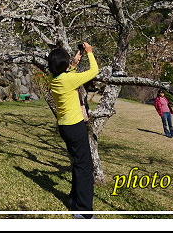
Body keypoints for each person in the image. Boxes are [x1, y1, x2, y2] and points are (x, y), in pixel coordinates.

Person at [48, 43, 99, 218]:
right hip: (75, 127)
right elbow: (94, 72)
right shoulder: (68, 80)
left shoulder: (54, 79)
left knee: (78, 163)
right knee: (85, 166)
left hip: (64, 126)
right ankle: (84, 212)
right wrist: (90, 53)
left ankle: (74, 200)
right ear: (64, 65)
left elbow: (66, 75)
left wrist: (74, 63)